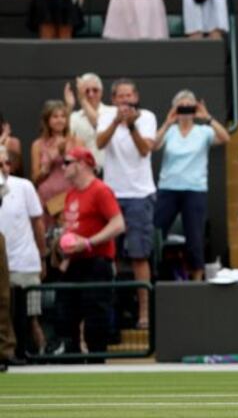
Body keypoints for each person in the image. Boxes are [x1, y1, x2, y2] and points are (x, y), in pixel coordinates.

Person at [95, 78, 155, 328]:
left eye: (129, 95)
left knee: (139, 256)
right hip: (112, 195)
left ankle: (144, 313)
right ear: (113, 99)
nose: (125, 100)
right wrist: (116, 122)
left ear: (136, 97)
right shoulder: (106, 116)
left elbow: (145, 150)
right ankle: (115, 313)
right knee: (111, 257)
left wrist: (131, 126)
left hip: (139, 195)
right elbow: (100, 143)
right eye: (120, 96)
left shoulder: (147, 117)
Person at [153, 90, 229, 281]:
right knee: (156, 231)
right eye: (182, 106)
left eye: (190, 106)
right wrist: (167, 122)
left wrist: (207, 117)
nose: (186, 110)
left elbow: (225, 138)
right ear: (175, 108)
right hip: (168, 188)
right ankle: (154, 273)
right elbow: (153, 146)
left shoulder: (203, 131)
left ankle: (196, 280)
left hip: (194, 190)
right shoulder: (170, 131)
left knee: (195, 236)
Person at [56, 146, 125, 355]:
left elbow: (118, 224)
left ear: (82, 164)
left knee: (95, 317)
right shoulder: (70, 194)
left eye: (67, 162)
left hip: (96, 261)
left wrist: (88, 242)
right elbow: (72, 227)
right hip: (75, 262)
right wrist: (66, 252)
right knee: (66, 313)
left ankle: (96, 360)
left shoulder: (100, 190)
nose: (63, 167)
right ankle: (73, 358)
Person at [0, 144, 46, 360]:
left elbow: (38, 223)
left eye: (6, 163)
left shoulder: (24, 186)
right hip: (4, 263)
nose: (4, 168)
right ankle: (8, 354)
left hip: (24, 262)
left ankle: (38, 354)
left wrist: (42, 256)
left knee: (30, 316)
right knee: (5, 313)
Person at [30, 99, 75, 217]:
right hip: (46, 200)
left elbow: (82, 171)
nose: (60, 120)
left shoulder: (75, 141)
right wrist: (48, 164)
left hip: (69, 197)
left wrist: (64, 154)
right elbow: (35, 179)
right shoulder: (37, 145)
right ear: (47, 120)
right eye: (55, 117)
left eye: (63, 116)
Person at [65, 73, 111, 170]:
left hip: (109, 171)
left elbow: (99, 124)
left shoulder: (112, 112)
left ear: (102, 92)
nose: (91, 94)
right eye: (86, 91)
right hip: (84, 172)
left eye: (95, 90)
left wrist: (83, 100)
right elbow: (65, 139)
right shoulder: (74, 117)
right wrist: (69, 107)